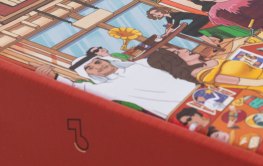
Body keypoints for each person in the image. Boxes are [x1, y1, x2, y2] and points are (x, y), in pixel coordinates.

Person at [33, 51, 196, 119]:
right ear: (88, 74)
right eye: (90, 68)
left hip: (197, 93)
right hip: (179, 113)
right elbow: (71, 86)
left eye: (97, 62)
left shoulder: (141, 63)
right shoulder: (103, 87)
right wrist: (52, 76)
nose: (98, 67)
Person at [145, 6, 218, 41]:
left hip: (202, 18)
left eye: (156, 11)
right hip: (196, 19)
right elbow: (169, 25)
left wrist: (167, 34)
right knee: (188, 31)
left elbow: (175, 25)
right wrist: (165, 33)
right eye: (153, 14)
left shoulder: (174, 15)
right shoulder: (168, 17)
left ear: (161, 9)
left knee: (187, 31)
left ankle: (214, 40)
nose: (156, 14)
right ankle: (214, 41)